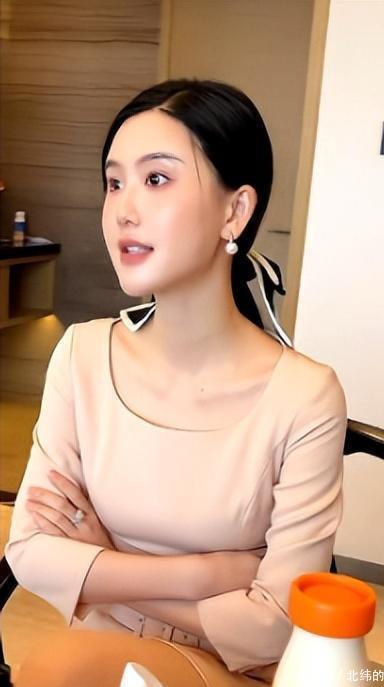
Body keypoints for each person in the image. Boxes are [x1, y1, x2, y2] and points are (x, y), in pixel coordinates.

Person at [5, 79, 347, 687]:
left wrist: (104, 561)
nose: (123, 210)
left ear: (234, 211)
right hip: (102, 655)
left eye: (156, 178)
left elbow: (274, 626)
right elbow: (31, 551)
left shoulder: (306, 396)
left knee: (59, 668)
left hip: (233, 670)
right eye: (114, 183)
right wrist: (205, 575)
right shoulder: (82, 355)